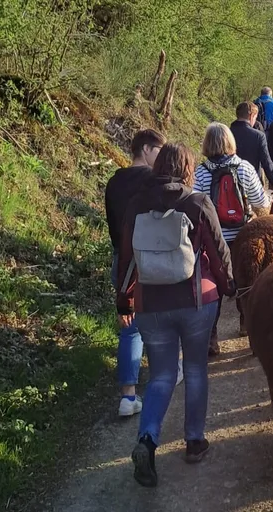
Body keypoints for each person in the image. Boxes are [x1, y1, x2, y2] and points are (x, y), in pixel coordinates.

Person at [116, 143, 235, 488]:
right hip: (196, 302)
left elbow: (127, 258)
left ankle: (147, 440)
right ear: (188, 169)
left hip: (151, 304)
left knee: (162, 376)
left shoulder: (137, 205)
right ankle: (194, 441)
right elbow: (218, 250)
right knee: (195, 369)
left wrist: (125, 301)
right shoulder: (197, 202)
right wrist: (228, 285)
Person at [104, 129, 179, 417]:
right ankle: (168, 373)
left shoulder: (113, 182)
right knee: (163, 318)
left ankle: (128, 396)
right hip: (152, 259)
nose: (162, 157)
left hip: (121, 261)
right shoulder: (153, 181)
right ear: (146, 149)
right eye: (159, 150)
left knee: (130, 328)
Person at [194, 123, 271, 356]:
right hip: (243, 238)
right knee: (247, 283)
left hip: (213, 241)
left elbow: (194, 206)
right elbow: (261, 203)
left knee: (214, 288)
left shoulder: (200, 173)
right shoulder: (245, 168)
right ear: (230, 142)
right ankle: (248, 328)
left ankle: (211, 339)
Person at [230, 101, 273, 188]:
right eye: (255, 117)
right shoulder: (259, 136)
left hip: (230, 182)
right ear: (251, 116)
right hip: (252, 183)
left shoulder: (227, 133)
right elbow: (266, 163)